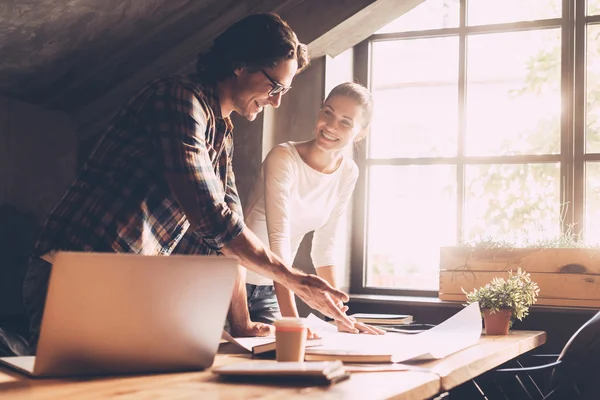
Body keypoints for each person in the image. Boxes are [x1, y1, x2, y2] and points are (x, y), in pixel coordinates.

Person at [22, 12, 355, 353]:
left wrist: (241, 321)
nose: (276, 100)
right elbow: (210, 215)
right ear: (240, 63)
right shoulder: (178, 99)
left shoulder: (222, 131)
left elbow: (228, 227)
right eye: (274, 86)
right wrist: (294, 279)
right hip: (77, 270)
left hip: (123, 279)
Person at [241, 82, 384, 336]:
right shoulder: (283, 157)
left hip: (272, 291)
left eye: (345, 122)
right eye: (328, 112)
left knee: (288, 365)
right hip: (231, 285)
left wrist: (341, 317)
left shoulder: (348, 172)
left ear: (361, 133)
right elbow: (279, 240)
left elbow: (324, 247)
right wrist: (294, 323)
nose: (330, 126)